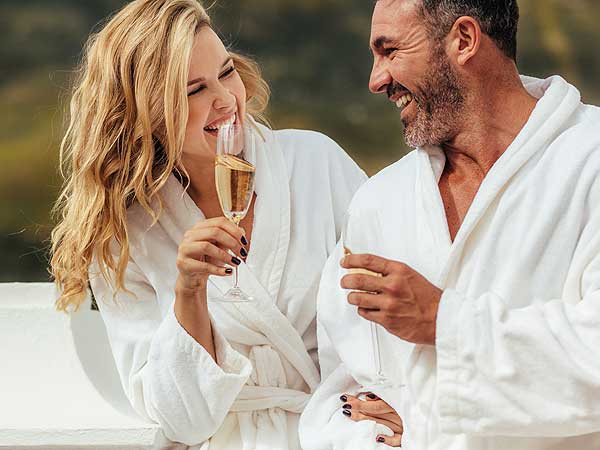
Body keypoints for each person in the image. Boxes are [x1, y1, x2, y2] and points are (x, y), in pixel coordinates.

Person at [49, 0, 366, 448]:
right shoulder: (127, 236)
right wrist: (190, 291)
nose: (225, 100)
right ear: (147, 114)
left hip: (337, 430)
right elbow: (182, 419)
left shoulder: (317, 163)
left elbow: (390, 299)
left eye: (226, 72)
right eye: (194, 89)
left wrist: (397, 394)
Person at [300, 0, 600, 449]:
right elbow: (343, 393)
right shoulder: (380, 202)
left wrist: (444, 321)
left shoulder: (589, 160)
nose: (376, 79)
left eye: (390, 51)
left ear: (463, 40)